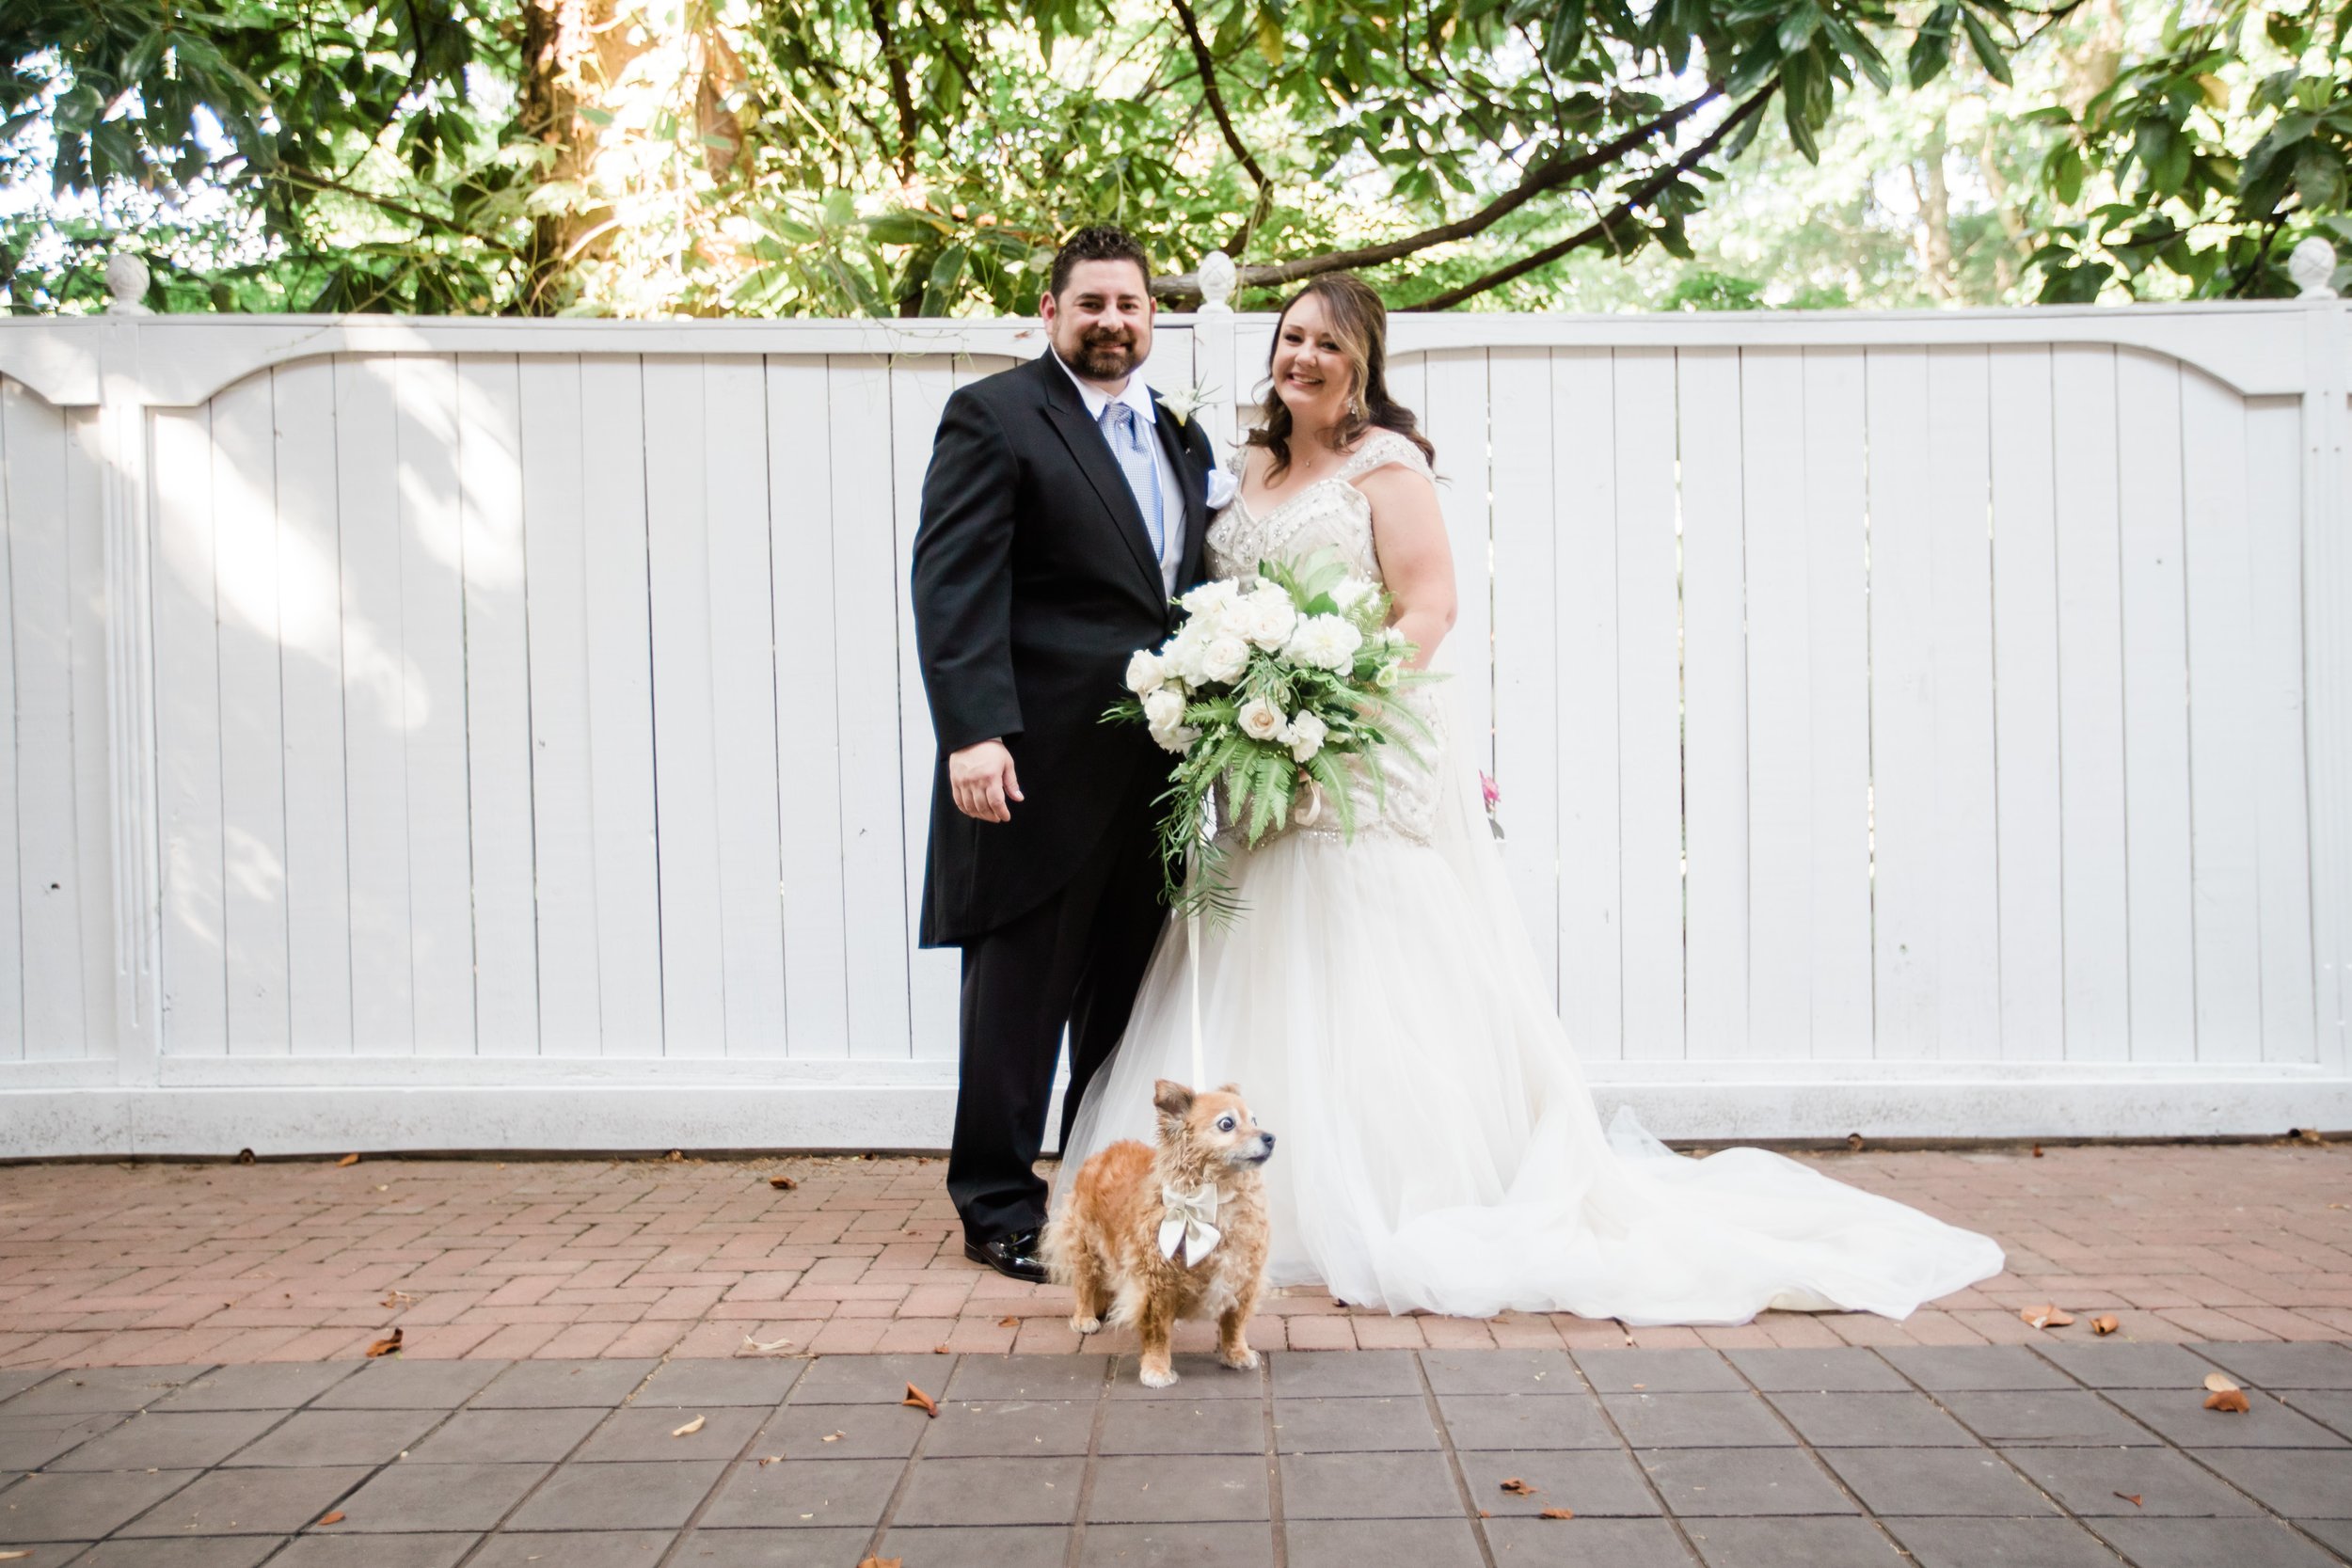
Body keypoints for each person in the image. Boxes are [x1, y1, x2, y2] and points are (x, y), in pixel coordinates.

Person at [1059, 275, 2005, 1323]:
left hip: (1349, 749)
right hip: (1257, 755)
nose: (1303, 358)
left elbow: (1429, 605)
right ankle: (1239, 1196)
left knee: (1370, 965)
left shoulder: (1387, 465)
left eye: (1328, 343)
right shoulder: (1249, 465)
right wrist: (1244, 702)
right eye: (1291, 338)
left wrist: (1328, 704)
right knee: (1255, 949)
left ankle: (1384, 1193)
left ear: (1362, 359)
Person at [911, 227, 1218, 1283]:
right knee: (1017, 998)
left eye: (1128, 305)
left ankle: (1098, 1189)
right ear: (1049, 312)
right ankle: (996, 1201)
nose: (1110, 322)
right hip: (1029, 766)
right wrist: (973, 731)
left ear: (1150, 318)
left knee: (1122, 1005)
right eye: (1089, 303)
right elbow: (953, 584)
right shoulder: (996, 417)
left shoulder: (1179, 440)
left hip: (1152, 773)